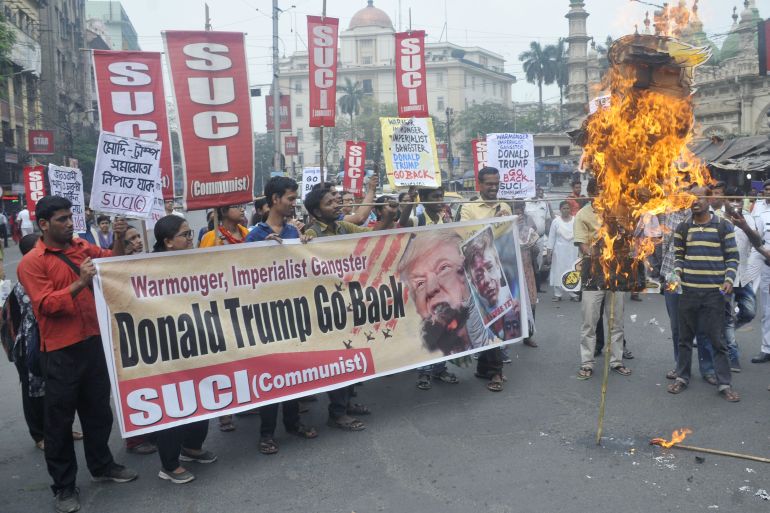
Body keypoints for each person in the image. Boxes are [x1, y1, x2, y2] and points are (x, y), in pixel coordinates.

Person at [17, 195, 136, 512]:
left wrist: (122, 238)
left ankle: (103, 466)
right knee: (59, 425)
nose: (70, 223)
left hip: (93, 342)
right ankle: (64, 487)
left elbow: (112, 262)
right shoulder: (32, 263)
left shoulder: (81, 247)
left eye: (71, 217)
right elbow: (46, 305)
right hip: (60, 351)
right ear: (43, 225)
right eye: (62, 219)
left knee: (99, 412)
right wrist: (81, 282)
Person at [302, 185, 393, 431]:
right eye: (330, 202)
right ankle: (337, 413)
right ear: (316, 212)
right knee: (339, 359)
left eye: (336, 200)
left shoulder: (344, 227)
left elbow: (374, 235)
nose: (337, 205)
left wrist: (387, 216)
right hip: (328, 308)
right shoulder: (311, 234)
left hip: (351, 304)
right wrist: (303, 244)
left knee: (353, 353)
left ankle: (347, 402)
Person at [243, 177, 318, 453]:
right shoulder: (255, 236)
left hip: (294, 315)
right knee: (271, 375)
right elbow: (243, 276)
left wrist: (307, 246)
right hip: (267, 318)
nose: (293, 203)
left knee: (294, 372)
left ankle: (293, 422)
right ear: (274, 199)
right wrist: (262, 251)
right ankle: (266, 433)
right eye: (289, 198)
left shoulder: (294, 232)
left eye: (295, 198)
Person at [152, 215, 217, 483]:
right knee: (174, 404)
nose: (192, 239)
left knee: (201, 397)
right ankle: (168, 464)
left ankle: (191, 447)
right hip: (167, 351)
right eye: (186, 235)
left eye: (191, 234)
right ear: (168, 242)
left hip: (195, 343)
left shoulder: (192, 261)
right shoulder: (148, 268)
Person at [667, 186, 739, 401]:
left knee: (717, 340)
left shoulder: (723, 226)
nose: (695, 201)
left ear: (708, 199)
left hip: (713, 293)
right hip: (688, 291)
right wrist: (677, 273)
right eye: (692, 198)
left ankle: (724, 384)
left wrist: (728, 279)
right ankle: (682, 378)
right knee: (684, 338)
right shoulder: (683, 227)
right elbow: (679, 256)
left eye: (699, 198)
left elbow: (732, 257)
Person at [398, 187, 461, 390]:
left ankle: (440, 369)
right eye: (435, 197)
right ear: (423, 200)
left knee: (444, 324)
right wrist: (407, 206)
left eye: (441, 197)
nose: (440, 200)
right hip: (422, 283)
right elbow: (403, 223)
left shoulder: (445, 219)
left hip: (443, 281)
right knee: (425, 325)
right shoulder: (418, 219)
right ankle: (423, 372)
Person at [459, 166, 512, 391]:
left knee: (496, 318)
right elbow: (469, 237)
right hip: (476, 271)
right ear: (479, 184)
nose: (493, 187)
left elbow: (507, 234)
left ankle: (487, 369)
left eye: (496, 183)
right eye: (489, 183)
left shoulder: (505, 206)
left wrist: (500, 222)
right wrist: (494, 222)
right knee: (488, 319)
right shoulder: (468, 208)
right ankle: (495, 372)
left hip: (500, 270)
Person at [574, 179, 631, 380]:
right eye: (599, 191)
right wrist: (599, 252)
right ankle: (587, 363)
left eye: (606, 190)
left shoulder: (617, 211)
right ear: (590, 193)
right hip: (593, 272)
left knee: (616, 320)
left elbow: (627, 241)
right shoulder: (582, 215)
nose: (604, 195)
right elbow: (583, 246)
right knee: (590, 320)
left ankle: (617, 360)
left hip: (616, 272)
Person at [659, 200, 716, 383]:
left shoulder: (706, 214)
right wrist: (662, 272)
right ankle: (680, 366)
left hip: (697, 275)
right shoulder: (668, 212)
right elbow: (662, 243)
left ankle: (707, 368)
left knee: (702, 326)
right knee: (677, 326)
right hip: (672, 275)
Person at [512, 201, 539, 348]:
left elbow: (535, 251)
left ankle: (528, 335)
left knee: (531, 303)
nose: (519, 214)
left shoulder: (529, 229)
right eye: (516, 210)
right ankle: (508, 338)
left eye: (521, 210)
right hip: (512, 272)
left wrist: (535, 248)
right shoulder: (505, 229)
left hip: (527, 270)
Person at [750, 180, 770, 364]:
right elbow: (756, 237)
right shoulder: (760, 210)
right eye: (767, 190)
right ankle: (766, 348)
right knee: (767, 309)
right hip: (766, 260)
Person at [545, 201, 578, 301]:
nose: (566, 210)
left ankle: (573, 294)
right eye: (564, 208)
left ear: (570, 209)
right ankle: (558, 294)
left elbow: (579, 235)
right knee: (558, 271)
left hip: (573, 250)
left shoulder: (575, 221)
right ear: (560, 210)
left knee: (572, 270)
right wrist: (549, 252)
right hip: (559, 251)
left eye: (568, 208)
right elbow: (551, 237)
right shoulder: (556, 221)